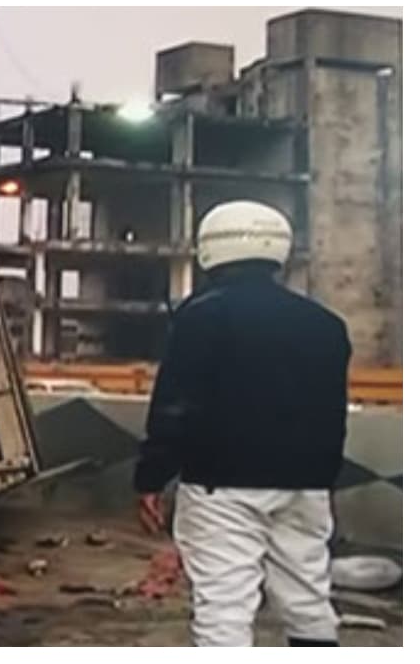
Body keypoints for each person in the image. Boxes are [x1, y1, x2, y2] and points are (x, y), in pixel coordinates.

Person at [133, 200, 351, 647]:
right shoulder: (327, 324)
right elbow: (333, 411)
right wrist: (320, 478)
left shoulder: (203, 315)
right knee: (308, 598)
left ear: (210, 250)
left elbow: (176, 405)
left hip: (223, 485)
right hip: (306, 485)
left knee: (224, 607)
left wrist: (151, 478)